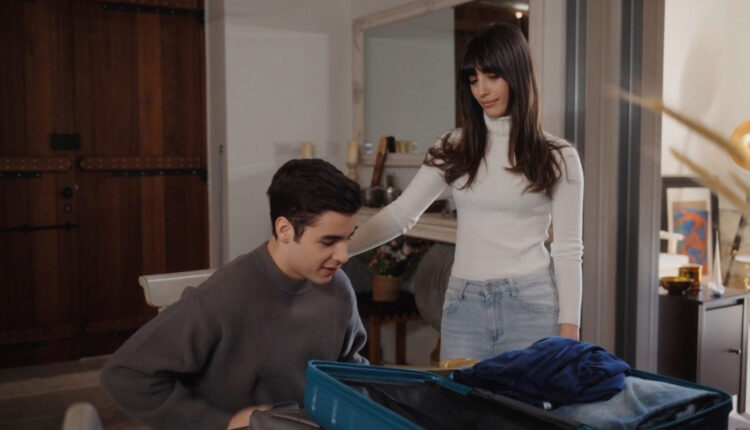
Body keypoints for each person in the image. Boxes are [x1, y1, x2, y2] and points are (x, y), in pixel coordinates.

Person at [349, 23, 583, 361]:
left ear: (517, 74)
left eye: (492, 76)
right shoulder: (454, 146)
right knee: (460, 396)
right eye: (473, 80)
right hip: (463, 305)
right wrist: (343, 249)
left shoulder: (558, 156)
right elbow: (402, 214)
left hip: (530, 305)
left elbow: (568, 249)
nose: (482, 90)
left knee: (526, 397)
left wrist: (570, 327)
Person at [101, 159, 367, 430]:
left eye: (347, 238)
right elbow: (125, 375)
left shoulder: (338, 287)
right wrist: (222, 423)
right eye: (329, 241)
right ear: (285, 230)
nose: (343, 255)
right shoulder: (220, 299)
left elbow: (351, 368)